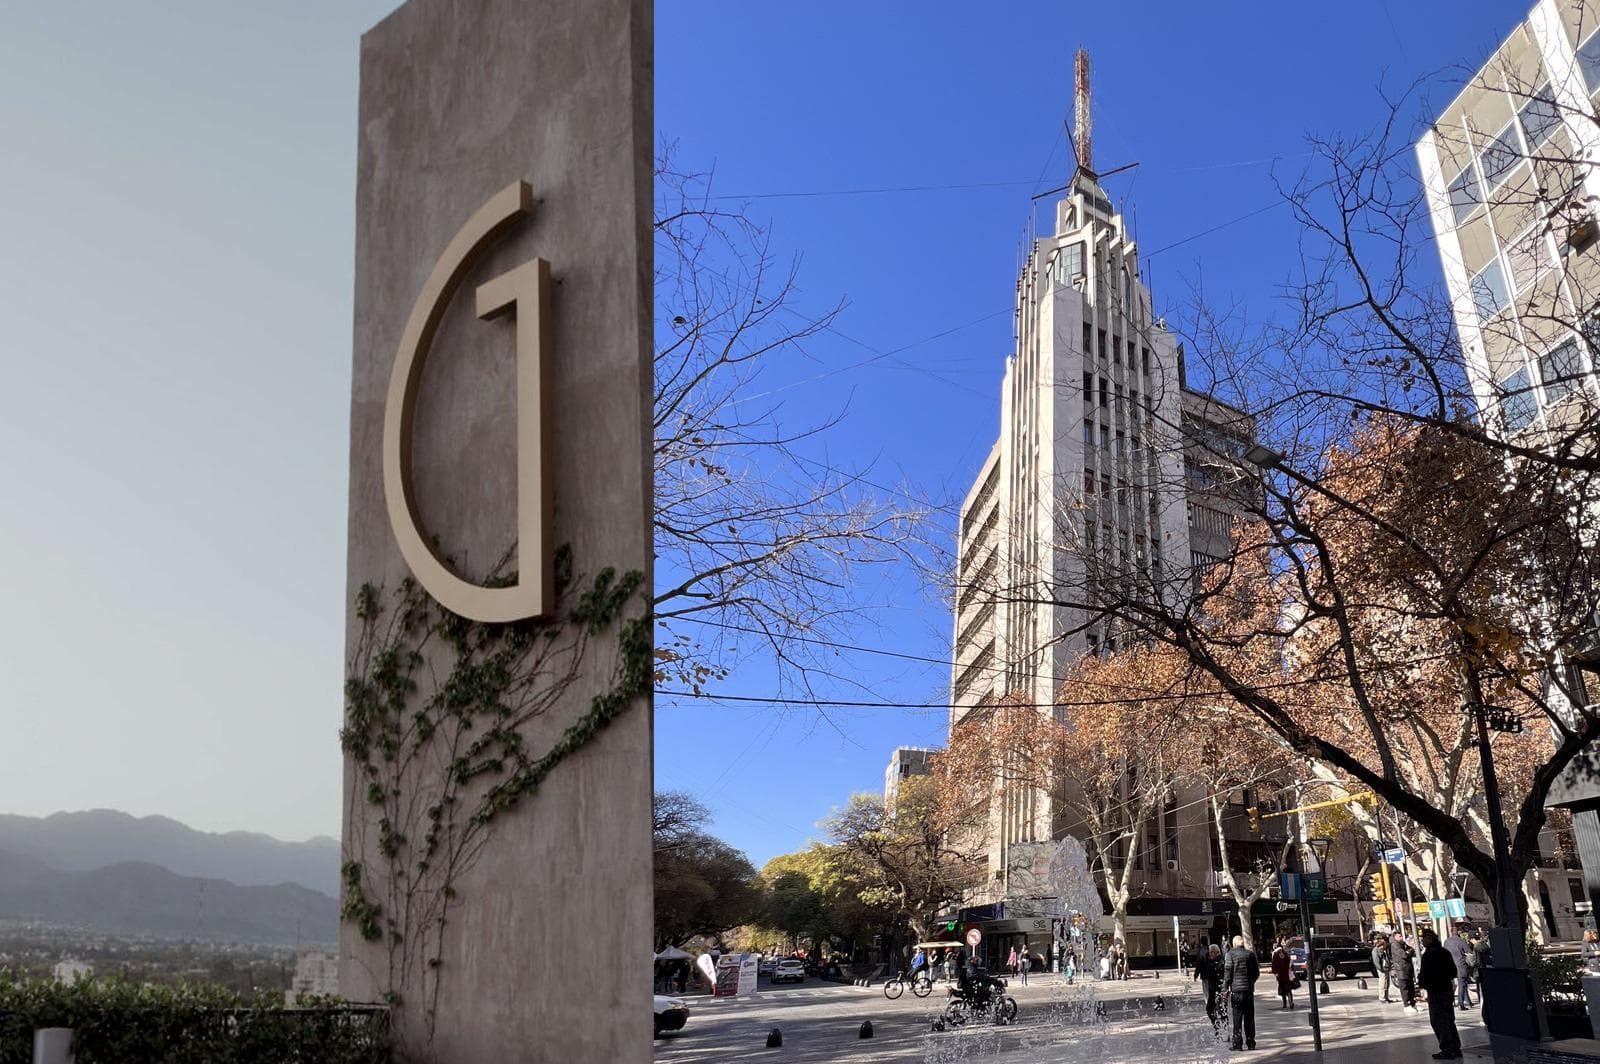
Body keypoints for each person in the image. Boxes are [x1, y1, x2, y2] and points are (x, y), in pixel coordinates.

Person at [1418, 929, 1462, 1060]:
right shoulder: (1444, 952)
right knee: (1449, 1020)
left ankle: (1447, 1049)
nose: (1422, 940)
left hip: (1436, 991)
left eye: (1424, 938)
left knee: (1438, 1021)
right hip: (1446, 990)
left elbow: (1425, 975)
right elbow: (1453, 972)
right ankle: (1455, 1048)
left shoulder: (1429, 955)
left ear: (1430, 939)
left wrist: (1423, 982)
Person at [1222, 934, 1260, 1051]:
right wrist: (1251, 982)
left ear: (1233, 944)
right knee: (1249, 1018)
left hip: (1237, 991)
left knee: (1237, 1018)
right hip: (1248, 991)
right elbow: (1256, 972)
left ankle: (1237, 1044)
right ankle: (1251, 1043)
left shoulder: (1230, 954)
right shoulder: (1250, 954)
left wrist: (1225, 988)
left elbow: (1228, 973)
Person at [1195, 942, 1224, 1030]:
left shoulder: (1221, 961)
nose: (1210, 954)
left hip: (1220, 990)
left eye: (1212, 952)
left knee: (1221, 1009)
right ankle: (1216, 1025)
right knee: (1210, 1009)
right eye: (1210, 952)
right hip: (1212, 990)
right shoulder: (1209, 962)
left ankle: (1224, 1028)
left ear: (1217, 952)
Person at [1442, 926, 1472, 1009]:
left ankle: (1464, 1001)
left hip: (1449, 966)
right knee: (1462, 983)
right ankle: (1461, 1003)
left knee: (1452, 984)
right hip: (1460, 965)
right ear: (1458, 932)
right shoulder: (1461, 941)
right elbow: (1469, 952)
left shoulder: (1446, 942)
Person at [1390, 931, 1418, 1012]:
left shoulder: (1402, 944)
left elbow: (1411, 949)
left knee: (1411, 987)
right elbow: (1404, 955)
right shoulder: (1395, 945)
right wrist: (1409, 952)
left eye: (1401, 936)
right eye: (1399, 936)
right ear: (1395, 937)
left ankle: (1413, 1004)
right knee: (1404, 988)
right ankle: (1406, 1005)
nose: (1401, 937)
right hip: (1401, 970)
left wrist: (1410, 950)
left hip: (1407, 968)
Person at [1271, 939, 1296, 1009]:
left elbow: (1274, 965)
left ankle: (1284, 1004)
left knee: (1283, 990)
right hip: (1286, 974)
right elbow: (1291, 963)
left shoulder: (1275, 955)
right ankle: (1291, 1002)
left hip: (1280, 975)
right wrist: (1291, 970)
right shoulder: (1286, 953)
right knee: (1288, 989)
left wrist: (1275, 973)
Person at [1371, 932, 1393, 1003]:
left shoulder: (1384, 950)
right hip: (1381, 969)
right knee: (1383, 983)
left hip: (1386, 968)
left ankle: (1386, 997)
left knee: (1387, 983)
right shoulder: (1375, 951)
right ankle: (1382, 998)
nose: (1383, 947)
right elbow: (1376, 962)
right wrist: (1381, 968)